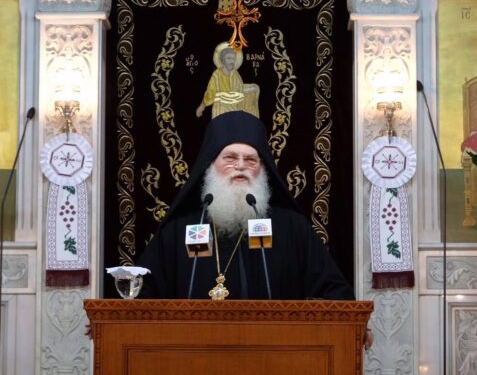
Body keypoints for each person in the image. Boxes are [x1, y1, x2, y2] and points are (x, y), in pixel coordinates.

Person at [137, 111, 354, 301]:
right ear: (210, 164)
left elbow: (335, 292)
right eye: (230, 158)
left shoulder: (291, 227)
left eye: (250, 160)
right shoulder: (179, 227)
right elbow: (141, 295)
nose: (240, 166)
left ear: (262, 168)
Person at [195, 42, 259, 119]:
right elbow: (210, 93)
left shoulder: (236, 75)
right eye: (229, 58)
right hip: (220, 109)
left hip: (235, 109)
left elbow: (240, 90)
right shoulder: (216, 75)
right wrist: (202, 106)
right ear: (222, 60)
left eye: (233, 59)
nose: (232, 61)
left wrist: (251, 89)